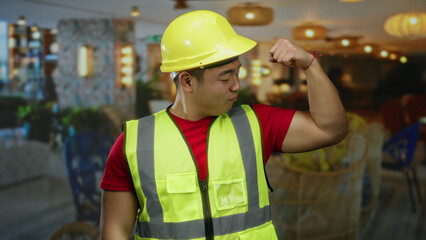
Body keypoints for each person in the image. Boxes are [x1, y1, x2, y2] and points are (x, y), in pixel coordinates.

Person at [99, 10, 348, 240]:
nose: (236, 85)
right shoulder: (134, 142)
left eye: (237, 73)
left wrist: (310, 65)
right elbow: (115, 229)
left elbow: (331, 129)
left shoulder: (257, 124)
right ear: (187, 81)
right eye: (225, 77)